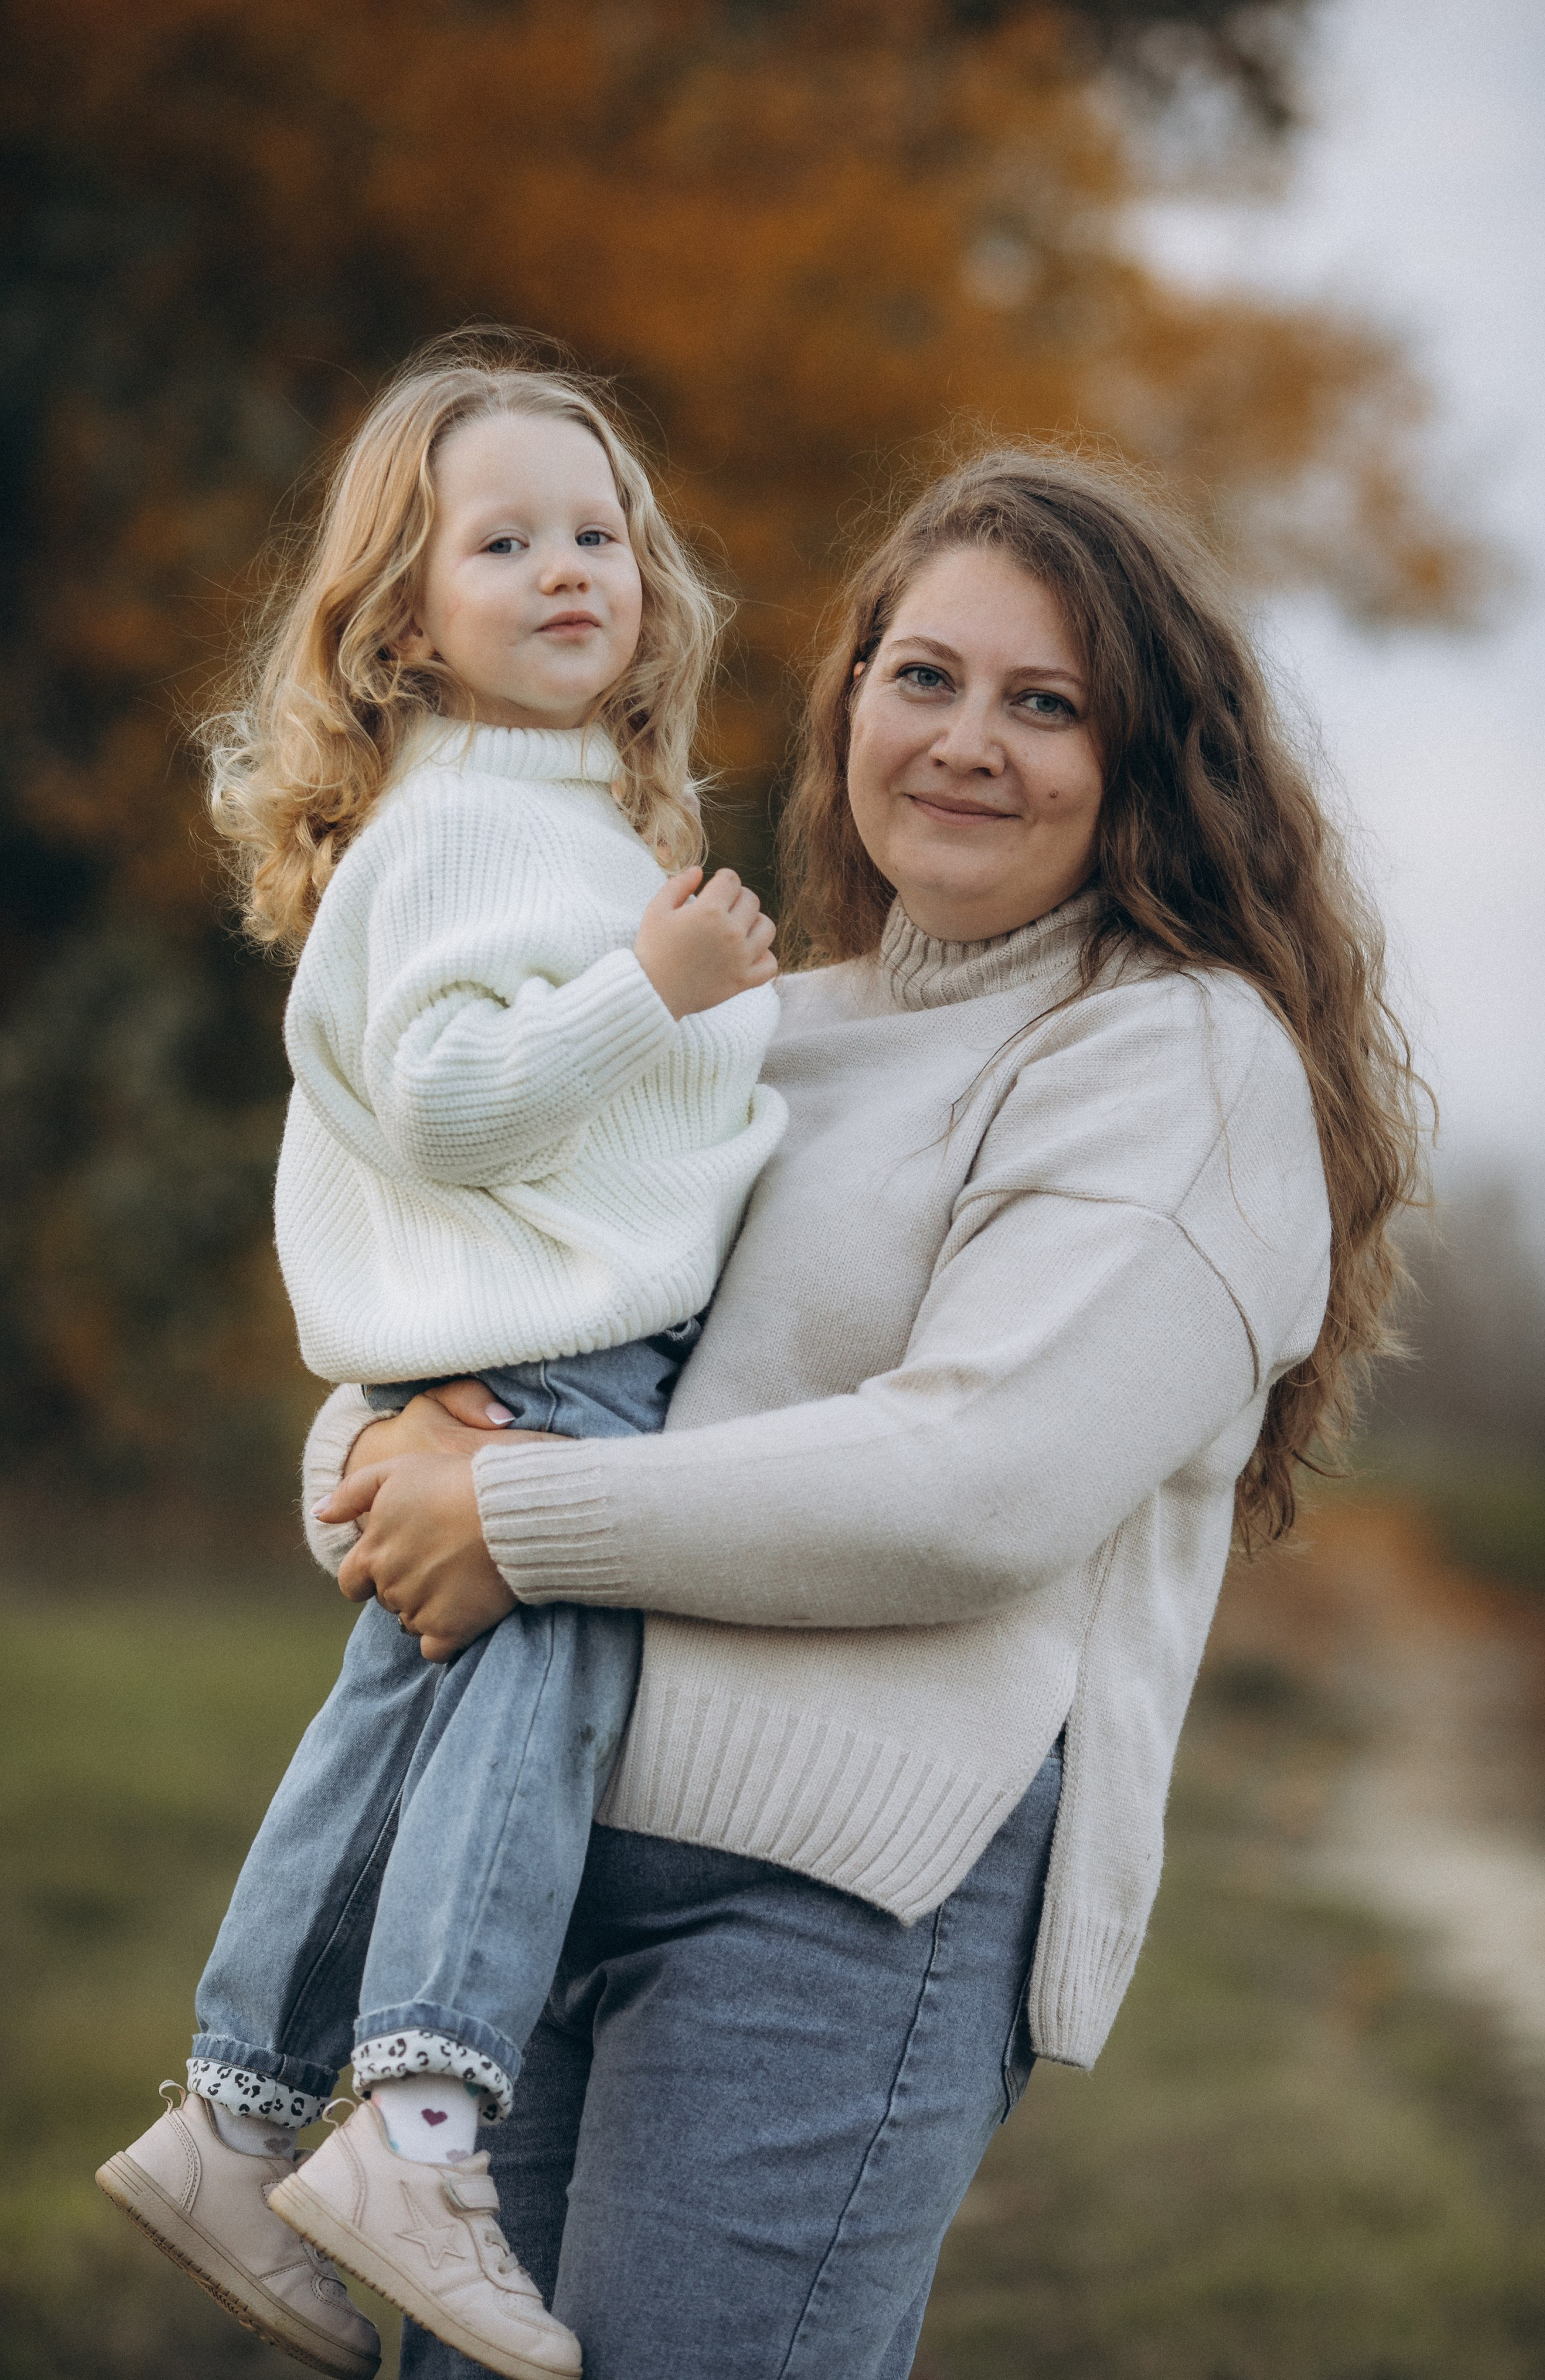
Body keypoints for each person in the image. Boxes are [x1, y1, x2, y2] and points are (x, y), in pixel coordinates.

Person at [306, 448, 1422, 2380]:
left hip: (842, 1912)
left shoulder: (1178, 1057)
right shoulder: (776, 1024)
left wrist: (513, 1514)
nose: (967, 743)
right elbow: (478, 1314)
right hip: (540, 1861)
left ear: (1151, 760)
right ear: (849, 709)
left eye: (1046, 703)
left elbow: (972, 1481)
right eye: (925, 678)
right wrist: (375, 1461)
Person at [94, 337, 784, 2380]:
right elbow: (459, 1106)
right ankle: (416, 2117)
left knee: (392, 1738)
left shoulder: (533, 813)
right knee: (519, 1722)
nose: (574, 568)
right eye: (509, 542)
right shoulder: (486, 828)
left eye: (603, 534)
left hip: (521, 1362)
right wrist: (656, 990)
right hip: (554, 1372)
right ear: (403, 618)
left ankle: (235, 2116)